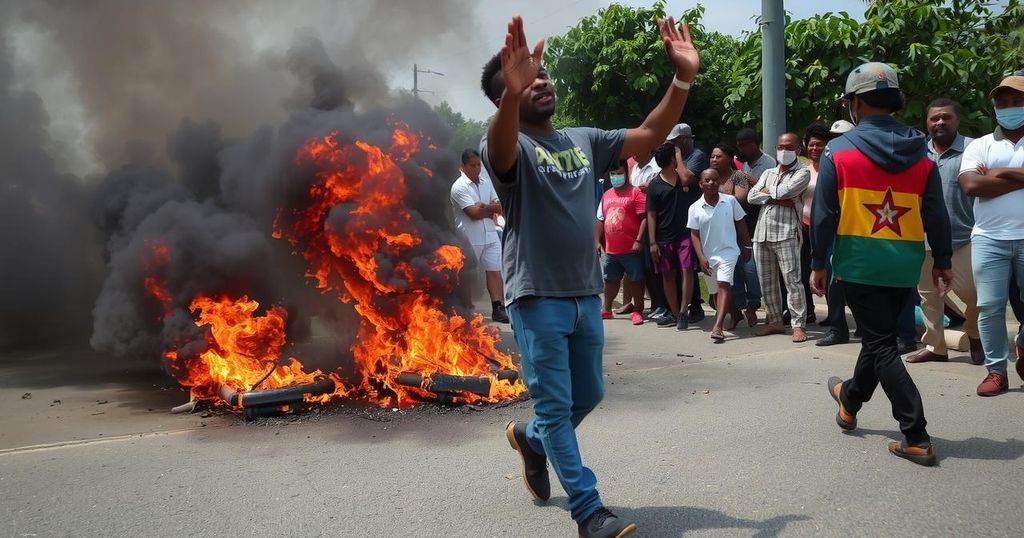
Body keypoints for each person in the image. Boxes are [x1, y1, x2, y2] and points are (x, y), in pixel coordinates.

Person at [483, 15, 699, 537]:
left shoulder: (585, 138)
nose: (540, 80)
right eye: (524, 78)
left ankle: (532, 442)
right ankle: (589, 512)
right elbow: (503, 145)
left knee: (590, 396)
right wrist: (512, 97)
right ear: (503, 98)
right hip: (536, 297)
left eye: (542, 72)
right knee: (557, 405)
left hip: (584, 292)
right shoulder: (506, 148)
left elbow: (649, 134)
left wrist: (683, 80)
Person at [811, 62, 952, 466]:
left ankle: (916, 434)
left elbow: (823, 216)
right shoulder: (923, 155)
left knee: (880, 345)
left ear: (855, 103)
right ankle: (849, 398)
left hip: (859, 262)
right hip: (904, 262)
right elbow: (936, 214)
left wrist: (819, 262)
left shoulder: (838, 152)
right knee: (879, 339)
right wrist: (942, 259)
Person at [958, 74, 1024, 397]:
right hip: (988, 237)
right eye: (1002, 101)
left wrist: (998, 173)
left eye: (1017, 101)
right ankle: (997, 371)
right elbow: (971, 186)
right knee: (990, 307)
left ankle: (1022, 345)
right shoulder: (980, 144)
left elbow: (984, 182)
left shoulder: (985, 153)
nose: (1008, 107)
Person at [905, 97, 983, 365]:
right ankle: (936, 346)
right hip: (922, 239)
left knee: (975, 295)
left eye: (946, 117)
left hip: (965, 237)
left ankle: (973, 333)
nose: (940, 122)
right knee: (928, 297)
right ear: (927, 122)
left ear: (957, 120)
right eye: (934, 118)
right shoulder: (916, 152)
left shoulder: (974, 149)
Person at [748, 133, 811, 343]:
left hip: (786, 232)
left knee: (792, 280)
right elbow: (751, 196)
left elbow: (787, 191)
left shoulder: (802, 172)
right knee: (767, 281)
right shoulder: (768, 172)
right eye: (780, 146)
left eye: (789, 146)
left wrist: (770, 194)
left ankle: (798, 324)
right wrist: (776, 196)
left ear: (798, 150)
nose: (784, 150)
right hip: (762, 233)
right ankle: (774, 320)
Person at [689, 169, 751, 340]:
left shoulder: (730, 201)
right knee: (716, 291)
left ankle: (718, 326)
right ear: (701, 184)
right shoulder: (695, 208)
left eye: (715, 180)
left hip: (729, 252)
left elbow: (741, 223)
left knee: (723, 284)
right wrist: (701, 256)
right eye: (707, 180)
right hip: (709, 255)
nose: (711, 183)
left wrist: (747, 246)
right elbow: (694, 234)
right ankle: (735, 313)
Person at [450, 149, 508, 323]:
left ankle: (498, 307)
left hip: (490, 234)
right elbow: (473, 213)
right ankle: (465, 308)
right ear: (463, 166)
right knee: (468, 274)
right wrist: (490, 209)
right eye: (472, 165)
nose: (477, 169)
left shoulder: (485, 182)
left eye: (478, 165)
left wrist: (486, 207)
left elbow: (501, 207)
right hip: (469, 237)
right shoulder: (458, 187)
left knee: (494, 271)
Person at [647, 142, 699, 330]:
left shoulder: (682, 178)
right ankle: (676, 314)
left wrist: (676, 153)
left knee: (687, 270)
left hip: (685, 234)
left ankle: (684, 310)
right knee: (668, 275)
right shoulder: (654, 184)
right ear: (671, 160)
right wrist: (652, 242)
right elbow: (651, 214)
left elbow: (686, 177)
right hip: (663, 237)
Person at [816, 120, 856, 347]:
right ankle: (838, 327)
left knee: (858, 280)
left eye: (840, 136)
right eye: (832, 137)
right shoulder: (829, 159)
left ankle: (862, 325)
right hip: (834, 229)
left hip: (857, 229)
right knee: (835, 280)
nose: (835, 141)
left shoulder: (855, 159)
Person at [597, 160, 647, 326]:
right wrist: (597, 241)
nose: (615, 177)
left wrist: (639, 240)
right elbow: (600, 219)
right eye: (612, 174)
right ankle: (607, 309)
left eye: (619, 173)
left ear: (626, 173)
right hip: (611, 249)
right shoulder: (606, 195)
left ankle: (638, 310)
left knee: (636, 279)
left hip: (631, 248)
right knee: (610, 280)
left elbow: (644, 218)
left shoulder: (635, 193)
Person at [667, 123, 708, 322]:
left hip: (697, 216)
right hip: (678, 214)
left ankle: (699, 307)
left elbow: (684, 179)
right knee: (684, 265)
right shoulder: (678, 157)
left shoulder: (697, 156)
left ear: (684, 139)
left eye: (675, 142)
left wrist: (677, 155)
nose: (673, 145)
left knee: (691, 265)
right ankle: (689, 306)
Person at [709, 143, 753, 329]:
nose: (714, 160)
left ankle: (743, 308)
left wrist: (714, 191)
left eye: (718, 156)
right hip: (713, 235)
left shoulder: (738, 176)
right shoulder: (710, 177)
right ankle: (733, 312)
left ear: (729, 158)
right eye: (712, 156)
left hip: (735, 232)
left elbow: (740, 198)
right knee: (714, 280)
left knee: (735, 275)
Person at [735, 127, 775, 324]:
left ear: (754, 144)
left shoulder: (769, 163)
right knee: (741, 267)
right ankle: (745, 306)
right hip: (744, 218)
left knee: (753, 268)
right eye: (740, 146)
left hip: (762, 216)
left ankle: (755, 304)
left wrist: (755, 182)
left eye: (745, 145)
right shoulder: (742, 164)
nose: (743, 149)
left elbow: (773, 191)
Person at [798, 123, 833, 325]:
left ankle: (834, 314)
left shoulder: (832, 169)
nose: (814, 149)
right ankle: (808, 311)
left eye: (819, 145)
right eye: (811, 145)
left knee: (828, 271)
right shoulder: (804, 170)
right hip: (804, 228)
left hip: (827, 230)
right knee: (803, 271)